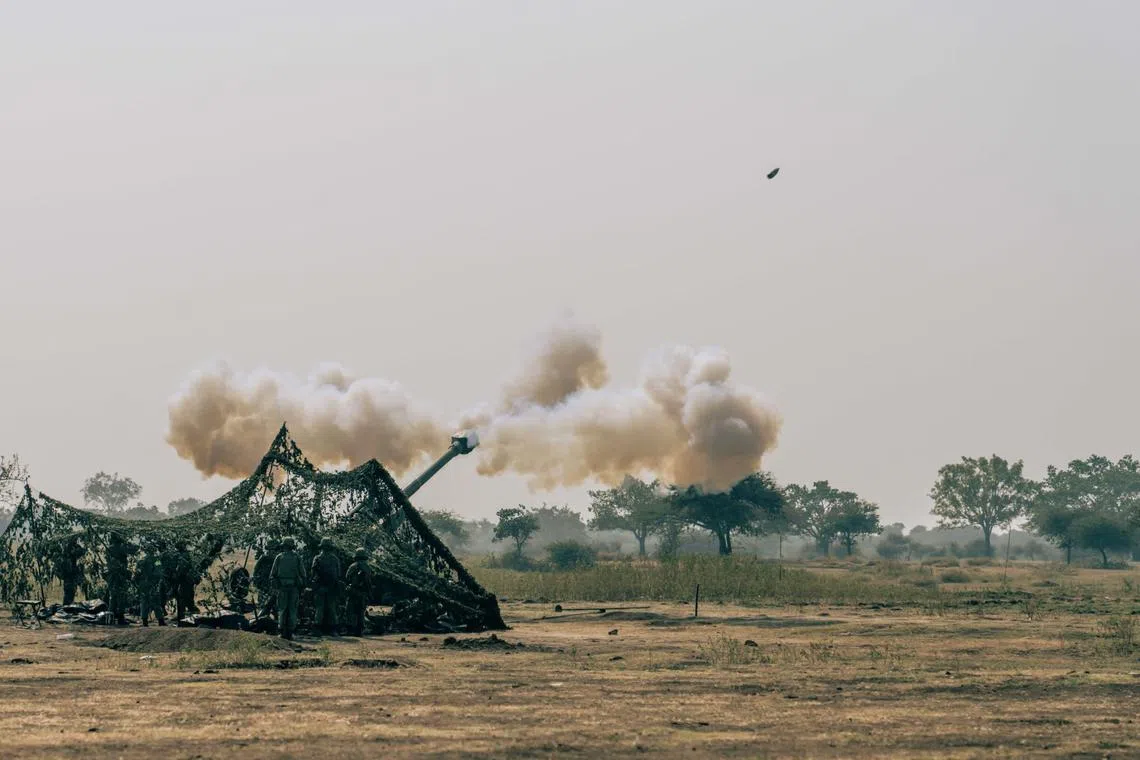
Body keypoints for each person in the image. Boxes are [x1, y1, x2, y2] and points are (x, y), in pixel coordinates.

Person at [270, 537, 306, 640]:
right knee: (292, 610)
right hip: (293, 587)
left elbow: (272, 574)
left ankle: (282, 631)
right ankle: (290, 632)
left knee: (282, 609)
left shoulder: (279, 557)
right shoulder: (297, 557)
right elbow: (303, 574)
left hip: (283, 587)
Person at [310, 537, 342, 635]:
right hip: (331, 587)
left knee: (319, 608)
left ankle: (317, 629)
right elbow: (339, 574)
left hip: (320, 587)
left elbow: (312, 573)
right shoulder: (335, 559)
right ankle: (333, 630)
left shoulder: (317, 558)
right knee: (331, 608)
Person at [105, 533, 135, 625]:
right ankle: (120, 618)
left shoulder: (110, 548)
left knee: (112, 596)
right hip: (120, 576)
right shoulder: (121, 547)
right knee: (121, 597)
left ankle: (110, 619)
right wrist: (127, 543)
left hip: (111, 576)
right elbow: (134, 549)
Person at [344, 547, 374, 637]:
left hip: (353, 591)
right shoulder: (368, 567)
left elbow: (347, 577)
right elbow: (370, 581)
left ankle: (350, 630)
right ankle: (359, 631)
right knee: (361, 611)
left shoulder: (353, 566)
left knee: (350, 610)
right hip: (363, 592)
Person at [134, 545, 167, 627]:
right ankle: (160, 621)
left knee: (144, 601)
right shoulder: (156, 560)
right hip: (152, 583)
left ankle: (145, 621)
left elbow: (136, 573)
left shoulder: (141, 560)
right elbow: (159, 572)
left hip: (142, 584)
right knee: (156, 602)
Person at [52, 534, 86, 606]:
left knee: (70, 593)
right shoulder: (69, 547)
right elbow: (79, 552)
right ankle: (66, 609)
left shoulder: (69, 547)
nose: (76, 540)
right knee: (69, 593)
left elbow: (80, 552)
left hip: (70, 574)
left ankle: (67, 608)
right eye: (75, 539)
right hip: (69, 574)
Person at [252, 539, 281, 619]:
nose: (271, 552)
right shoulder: (263, 558)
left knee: (275, 604)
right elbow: (256, 570)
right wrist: (255, 580)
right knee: (263, 604)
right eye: (269, 549)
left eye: (273, 550)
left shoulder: (279, 559)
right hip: (264, 584)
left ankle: (275, 617)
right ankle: (263, 618)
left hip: (273, 585)